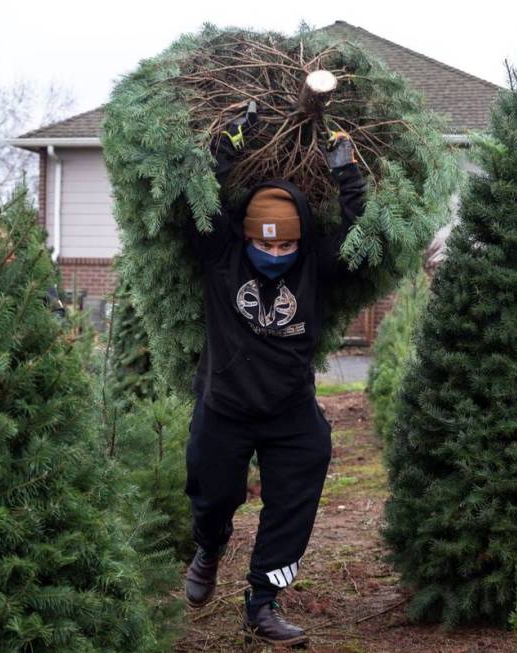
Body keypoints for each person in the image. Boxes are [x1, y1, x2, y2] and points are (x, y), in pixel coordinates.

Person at [181, 101, 366, 647]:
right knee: (212, 494)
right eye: (265, 243)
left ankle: (263, 602)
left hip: (289, 411)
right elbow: (200, 205)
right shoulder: (220, 257)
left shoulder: (314, 264)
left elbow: (359, 236)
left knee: (303, 478)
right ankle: (209, 548)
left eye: (285, 244)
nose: (275, 253)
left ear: (300, 240)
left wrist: (346, 172)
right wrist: (227, 145)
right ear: (246, 237)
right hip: (224, 407)